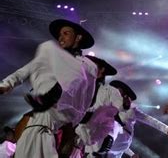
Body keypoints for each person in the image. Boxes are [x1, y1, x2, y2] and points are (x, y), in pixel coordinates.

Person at [0, 19, 98, 158]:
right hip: (39, 119)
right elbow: (24, 71)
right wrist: (5, 85)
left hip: (56, 121)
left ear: (78, 37)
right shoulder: (50, 57)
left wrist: (72, 121)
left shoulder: (87, 66)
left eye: (66, 33)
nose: (61, 37)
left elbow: (87, 98)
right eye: (60, 34)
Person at [107, 80, 168, 158]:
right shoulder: (107, 104)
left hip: (120, 144)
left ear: (125, 95)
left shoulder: (132, 109)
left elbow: (147, 119)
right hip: (109, 141)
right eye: (115, 91)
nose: (117, 93)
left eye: (119, 92)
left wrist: (165, 128)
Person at [74, 55, 122, 157]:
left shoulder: (111, 91)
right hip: (71, 136)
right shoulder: (78, 86)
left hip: (93, 142)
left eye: (92, 66)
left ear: (101, 71)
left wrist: (109, 137)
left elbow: (114, 113)